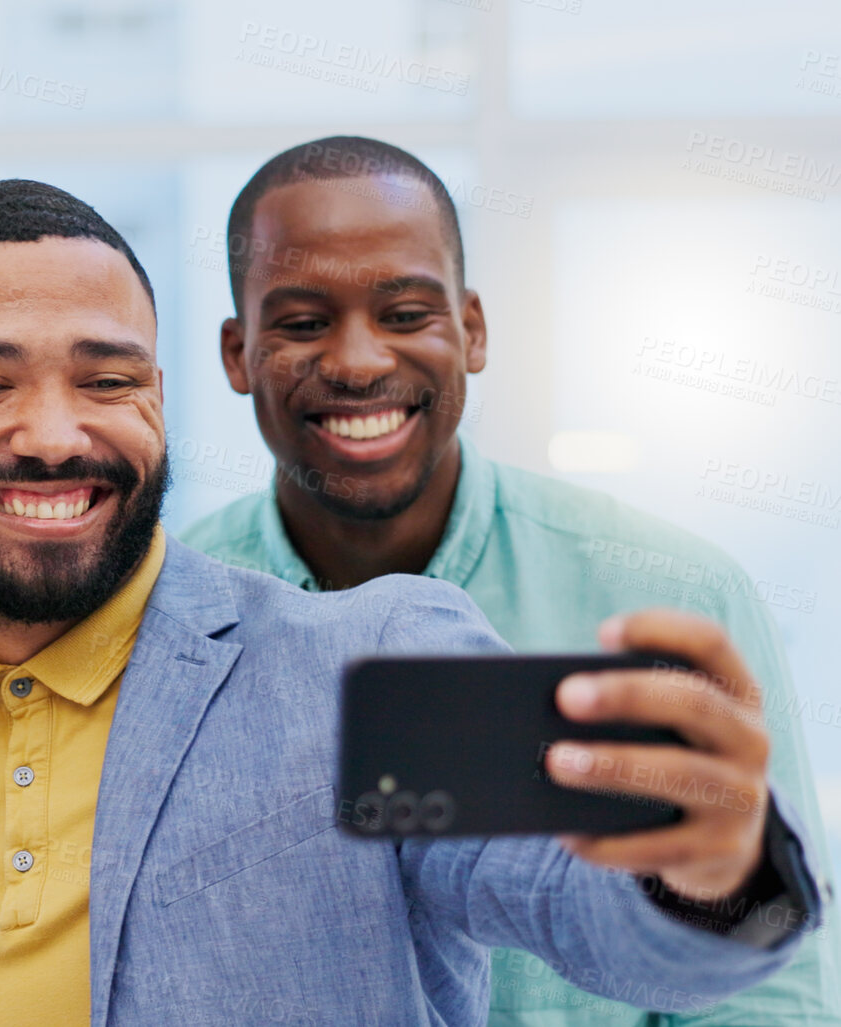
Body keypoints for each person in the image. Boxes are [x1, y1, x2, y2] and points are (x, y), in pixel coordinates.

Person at [0, 179, 823, 1025]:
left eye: (109, 380)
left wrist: (714, 868)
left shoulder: (374, 669)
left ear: (160, 397)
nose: (58, 433)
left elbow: (584, 912)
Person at [179, 135, 836, 1025]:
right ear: (235, 351)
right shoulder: (172, 619)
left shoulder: (675, 590)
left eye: (406, 313)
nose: (360, 361)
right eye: (300, 322)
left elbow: (769, 991)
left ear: (472, 329)